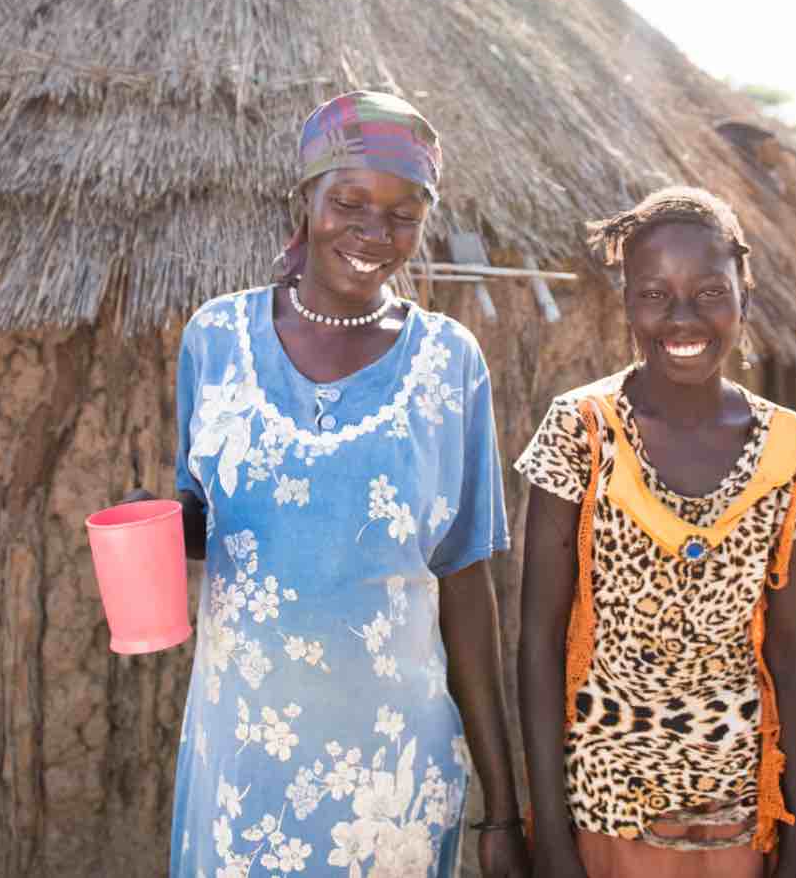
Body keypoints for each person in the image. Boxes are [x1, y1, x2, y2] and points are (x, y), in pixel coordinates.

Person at [128, 91, 529, 878]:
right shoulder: (216, 339)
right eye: (349, 202)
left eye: (404, 214)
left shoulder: (449, 364)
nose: (376, 233)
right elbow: (210, 516)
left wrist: (502, 812)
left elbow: (466, 578)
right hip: (245, 762)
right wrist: (161, 529)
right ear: (304, 201)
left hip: (391, 776)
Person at [515, 187, 796, 878]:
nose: (683, 317)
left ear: (744, 297)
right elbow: (540, 641)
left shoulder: (792, 449)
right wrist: (548, 831)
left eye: (708, 292)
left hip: (733, 812)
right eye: (654, 295)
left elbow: (793, 651)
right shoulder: (582, 429)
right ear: (627, 304)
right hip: (600, 804)